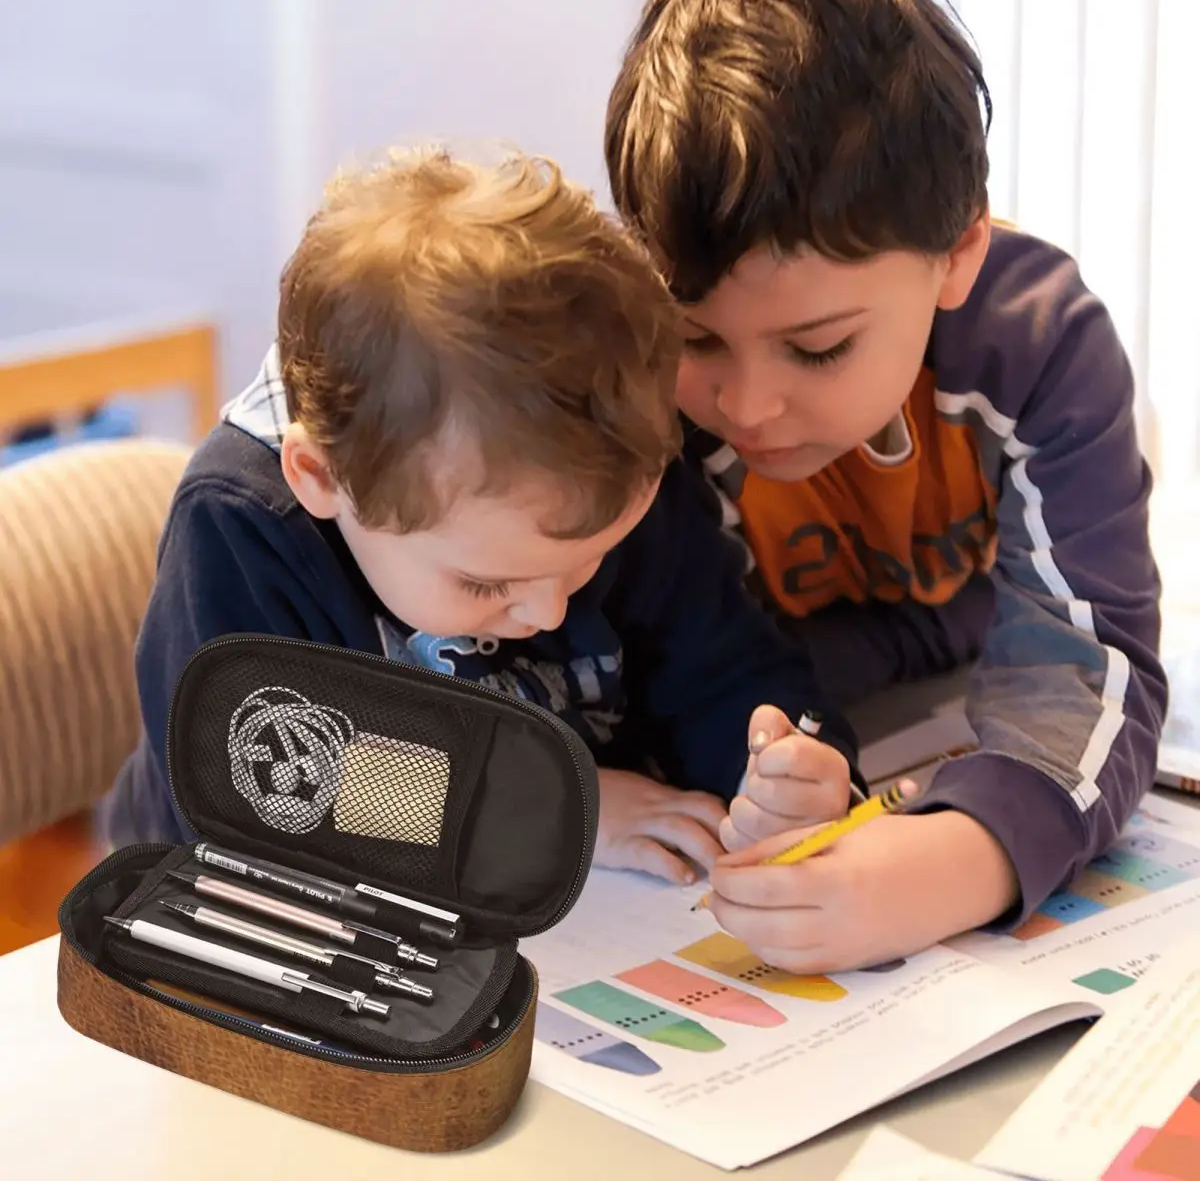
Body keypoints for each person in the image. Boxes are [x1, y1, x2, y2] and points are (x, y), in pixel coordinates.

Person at [98, 146, 864, 887]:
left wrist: (782, 773)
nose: (549, 606)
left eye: (588, 561)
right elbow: (260, 780)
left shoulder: (604, 468)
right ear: (323, 479)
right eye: (485, 584)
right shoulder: (243, 528)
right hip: (220, 919)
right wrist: (560, 812)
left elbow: (720, 665)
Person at [603, 0, 1167, 970]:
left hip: (965, 674)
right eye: (695, 337)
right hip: (835, 700)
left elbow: (1090, 662)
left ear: (957, 255)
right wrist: (780, 767)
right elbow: (675, 677)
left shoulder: (1041, 345)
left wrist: (968, 855)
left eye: (817, 349)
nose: (746, 406)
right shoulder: (634, 380)